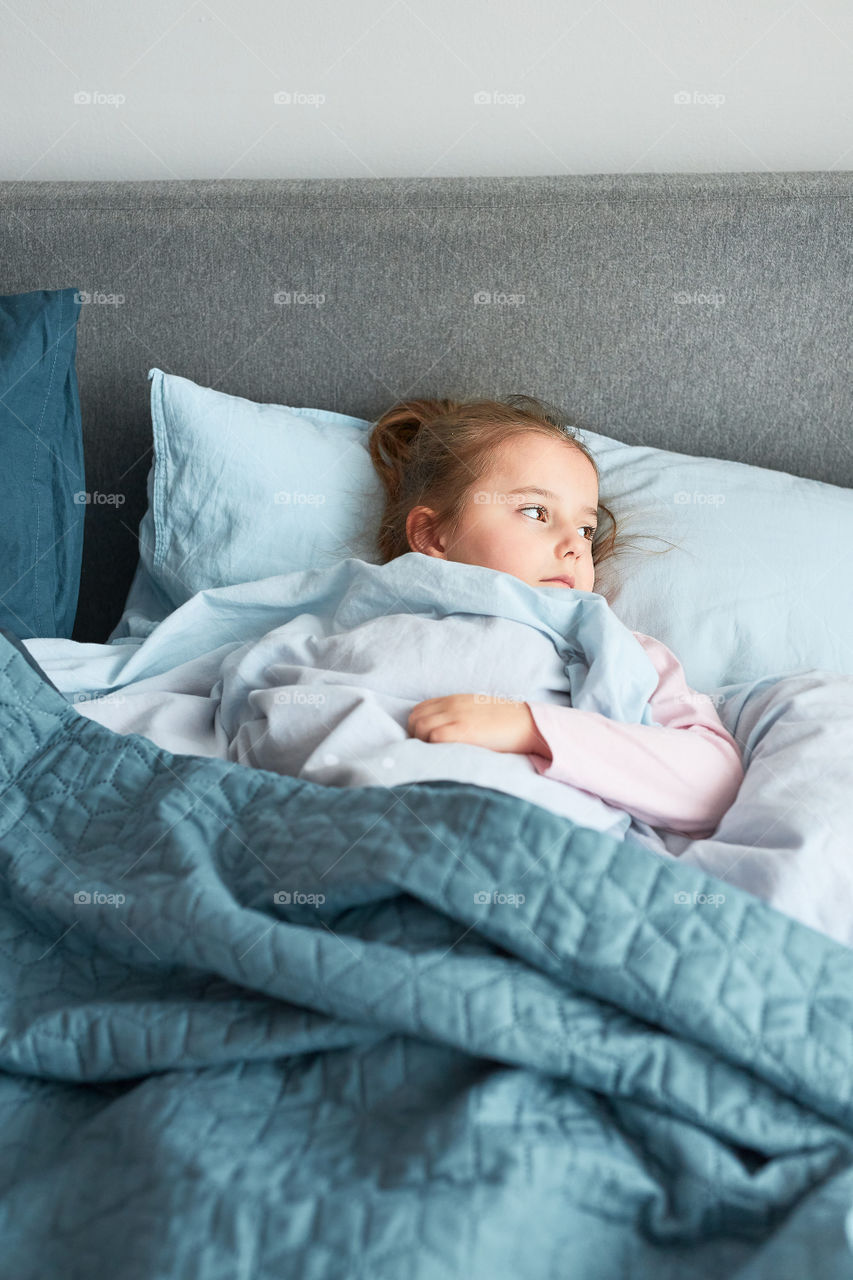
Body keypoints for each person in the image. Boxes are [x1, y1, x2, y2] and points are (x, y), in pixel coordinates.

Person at [366, 394, 744, 841]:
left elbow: (713, 784)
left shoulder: (613, 646)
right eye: (535, 511)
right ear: (432, 535)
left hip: (538, 843)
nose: (576, 545)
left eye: (586, 528)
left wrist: (532, 728)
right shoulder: (366, 614)